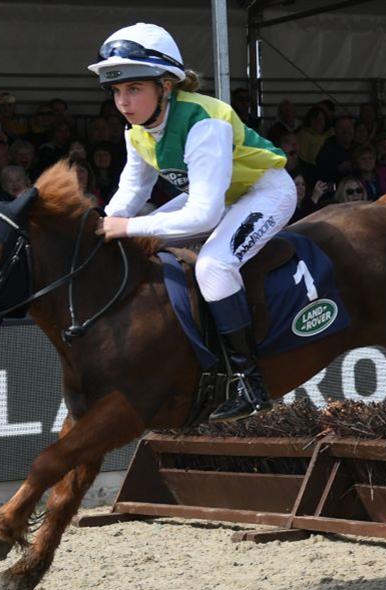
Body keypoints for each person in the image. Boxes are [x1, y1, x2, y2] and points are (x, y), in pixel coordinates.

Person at [89, 22, 295, 421]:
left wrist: (128, 228)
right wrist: (105, 224)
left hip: (266, 191)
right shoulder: (137, 132)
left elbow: (204, 214)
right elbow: (132, 193)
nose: (123, 102)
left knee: (215, 266)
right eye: (116, 91)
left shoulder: (204, 121)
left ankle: (248, 383)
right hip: (220, 193)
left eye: (134, 89)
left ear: (166, 86)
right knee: (136, 238)